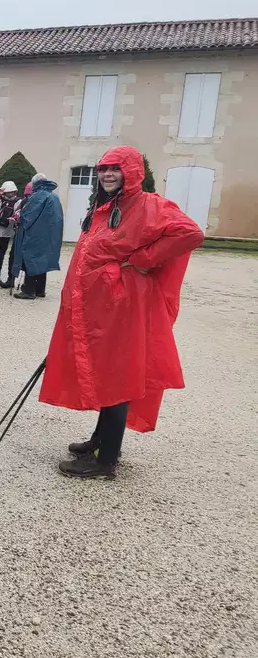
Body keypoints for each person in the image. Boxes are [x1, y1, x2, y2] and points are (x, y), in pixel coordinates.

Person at [40, 146, 204, 479]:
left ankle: (105, 461)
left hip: (122, 308)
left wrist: (142, 260)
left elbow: (190, 233)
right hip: (101, 309)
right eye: (102, 169)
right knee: (106, 373)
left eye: (115, 168)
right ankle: (101, 440)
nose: (107, 174)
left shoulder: (149, 205)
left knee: (118, 375)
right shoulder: (106, 207)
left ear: (131, 172)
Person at [11, 173, 63, 300]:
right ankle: (40, 289)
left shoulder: (38, 196)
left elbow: (27, 215)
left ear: (35, 184)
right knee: (42, 260)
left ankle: (28, 290)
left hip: (35, 234)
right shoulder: (54, 197)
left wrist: (18, 218)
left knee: (31, 258)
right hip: (49, 234)